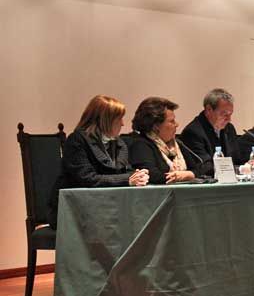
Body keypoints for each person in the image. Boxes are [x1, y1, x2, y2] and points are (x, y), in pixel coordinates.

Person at [48, 95, 149, 228]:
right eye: (119, 119)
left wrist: (139, 175)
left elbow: (125, 170)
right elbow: (88, 178)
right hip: (75, 211)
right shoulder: (77, 141)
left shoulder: (118, 143)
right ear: (105, 120)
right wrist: (128, 179)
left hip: (106, 209)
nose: (123, 123)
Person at [129, 97, 207, 184]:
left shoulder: (177, 144)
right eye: (172, 121)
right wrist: (180, 176)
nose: (177, 124)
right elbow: (152, 176)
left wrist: (189, 175)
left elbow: (199, 169)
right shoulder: (140, 145)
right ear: (156, 126)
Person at [180, 88, 241, 175]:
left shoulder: (229, 128)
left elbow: (237, 159)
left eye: (230, 114)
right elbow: (205, 167)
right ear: (209, 110)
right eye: (224, 114)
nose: (229, 119)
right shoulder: (193, 132)